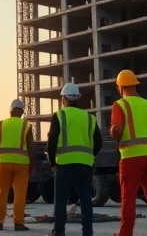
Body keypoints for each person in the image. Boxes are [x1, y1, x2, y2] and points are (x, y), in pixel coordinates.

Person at [109, 69, 147, 236]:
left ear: (120, 87)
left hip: (131, 157)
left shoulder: (120, 104)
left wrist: (115, 136)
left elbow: (117, 128)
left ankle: (125, 234)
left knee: (128, 197)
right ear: (135, 85)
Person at [48, 83, 102, 236]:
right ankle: (87, 232)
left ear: (63, 98)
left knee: (60, 200)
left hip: (63, 164)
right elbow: (98, 142)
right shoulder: (89, 118)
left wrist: (52, 162)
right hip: (85, 165)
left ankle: (58, 232)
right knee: (85, 199)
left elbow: (52, 141)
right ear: (78, 97)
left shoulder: (59, 116)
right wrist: (89, 155)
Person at [0, 98, 34, 232]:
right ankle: (19, 223)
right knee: (20, 194)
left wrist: (1, 153)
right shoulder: (26, 125)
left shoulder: (0, 124)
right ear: (21, 111)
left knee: (1, 193)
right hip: (22, 164)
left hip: (4, 163)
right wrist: (33, 164)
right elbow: (31, 146)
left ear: (10, 110)